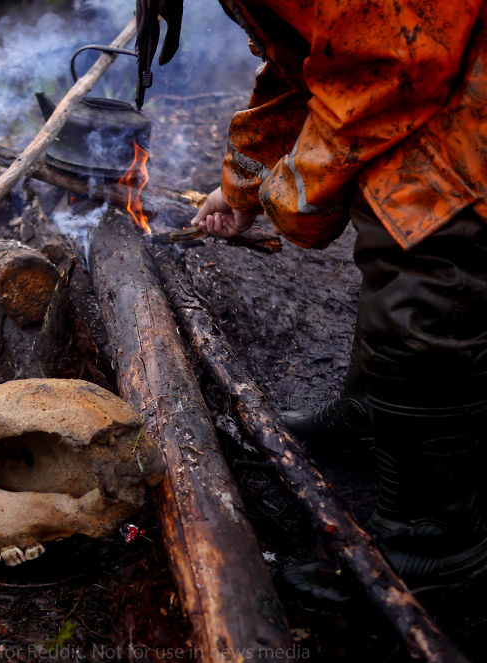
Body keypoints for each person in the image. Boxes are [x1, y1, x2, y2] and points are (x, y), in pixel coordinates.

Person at [182, 1, 487, 591]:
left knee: (431, 261)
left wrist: (291, 194)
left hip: (459, 84)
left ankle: (435, 546)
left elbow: (389, 60)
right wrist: (241, 186)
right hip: (428, 68)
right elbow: (312, 61)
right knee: (395, 228)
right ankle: (375, 414)